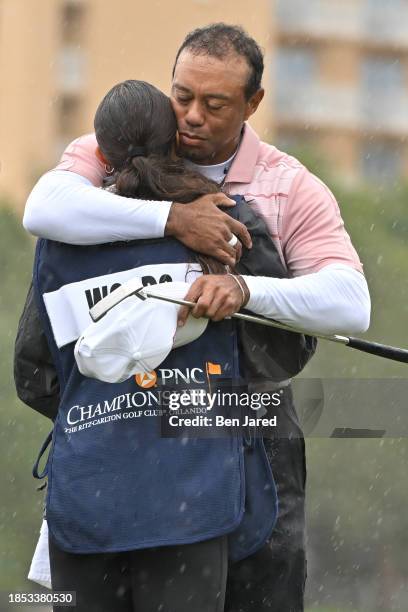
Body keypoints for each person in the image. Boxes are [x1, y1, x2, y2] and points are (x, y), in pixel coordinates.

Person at [20, 24, 371, 611]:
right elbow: (43, 209)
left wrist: (240, 289)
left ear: (253, 104)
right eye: (182, 96)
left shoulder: (290, 186)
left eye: (214, 104)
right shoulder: (114, 150)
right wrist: (173, 221)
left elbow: (349, 303)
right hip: (115, 437)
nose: (191, 117)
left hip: (249, 429)